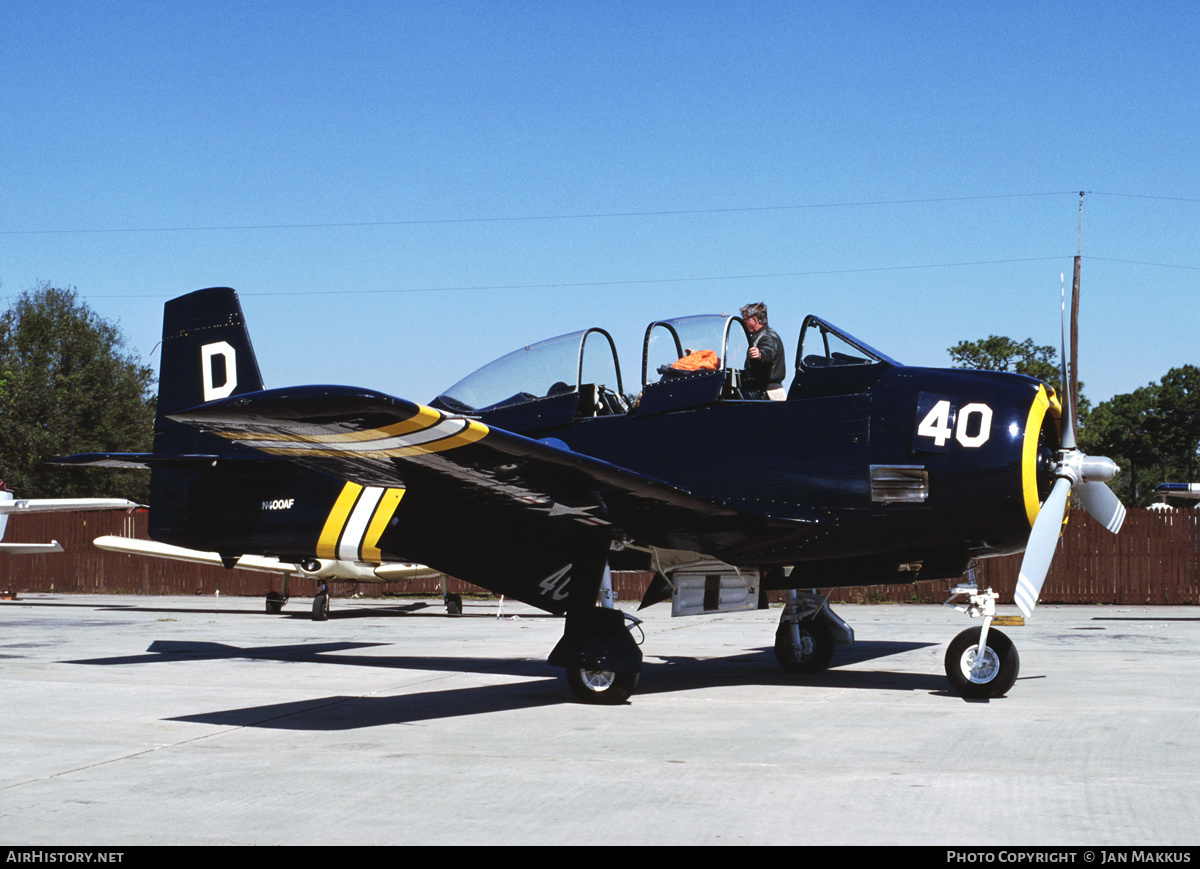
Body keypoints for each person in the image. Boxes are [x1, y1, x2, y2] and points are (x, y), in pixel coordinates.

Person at [740, 302, 786, 400]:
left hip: (770, 393)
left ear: (755, 320)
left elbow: (768, 351)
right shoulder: (757, 337)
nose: (743, 323)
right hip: (761, 391)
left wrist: (761, 354)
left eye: (745, 320)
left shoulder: (768, 335)